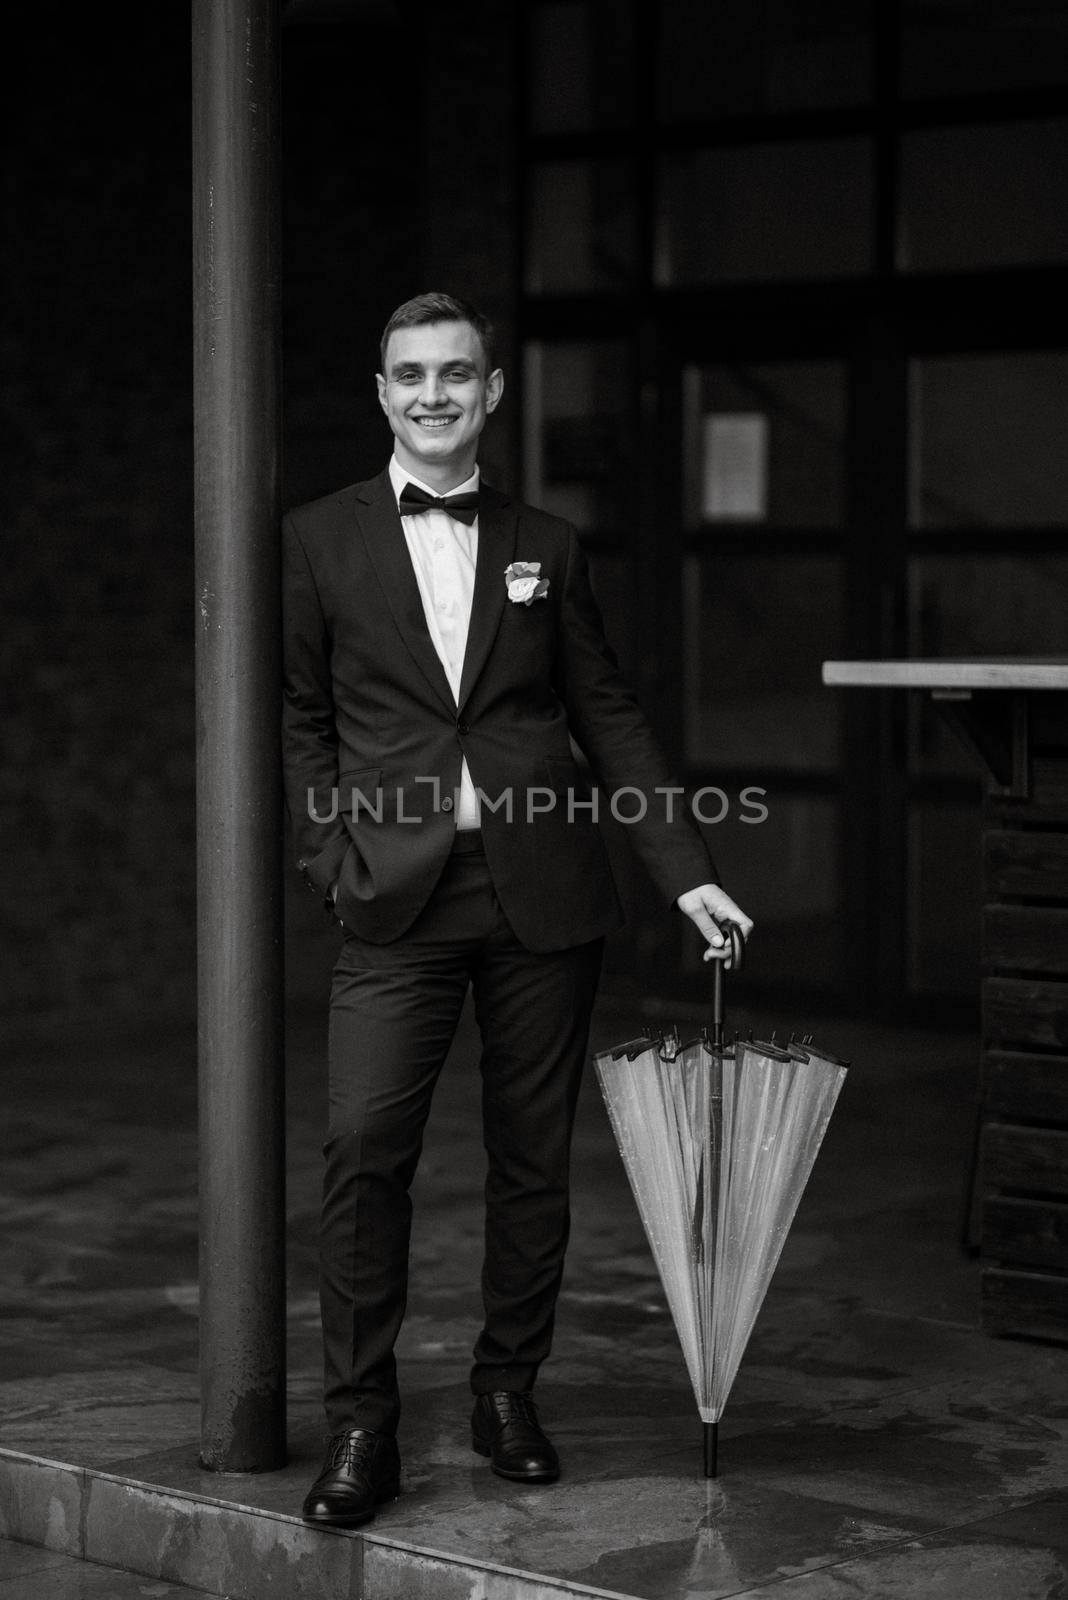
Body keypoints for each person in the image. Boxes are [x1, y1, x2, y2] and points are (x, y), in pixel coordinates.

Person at [282, 291, 753, 1528]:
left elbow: (608, 712)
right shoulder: (317, 539)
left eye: (456, 374)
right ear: (381, 394)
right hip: (393, 896)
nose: (432, 393)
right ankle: (363, 1423)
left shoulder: (552, 539)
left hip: (544, 892)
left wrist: (685, 865)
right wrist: (330, 851)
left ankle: (506, 1393)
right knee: (362, 1152)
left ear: (493, 392)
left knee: (530, 1161)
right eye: (408, 375)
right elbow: (301, 720)